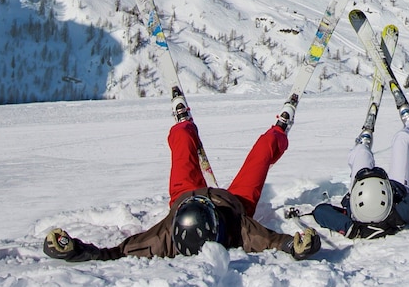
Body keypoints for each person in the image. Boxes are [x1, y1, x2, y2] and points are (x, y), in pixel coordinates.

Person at [43, 103, 320, 262]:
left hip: (184, 195)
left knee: (182, 141)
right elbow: (271, 241)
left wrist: (72, 250)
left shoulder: (161, 237)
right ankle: (280, 129)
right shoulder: (239, 228)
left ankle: (183, 123)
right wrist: (297, 246)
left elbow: (113, 253)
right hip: (235, 203)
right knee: (263, 150)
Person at [311, 118, 409, 240]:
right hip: (397, 186)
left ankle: (363, 143)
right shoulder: (398, 215)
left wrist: (353, 230)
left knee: (361, 151)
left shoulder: (355, 219)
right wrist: (395, 217)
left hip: (362, 184)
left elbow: (320, 211)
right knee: (403, 139)